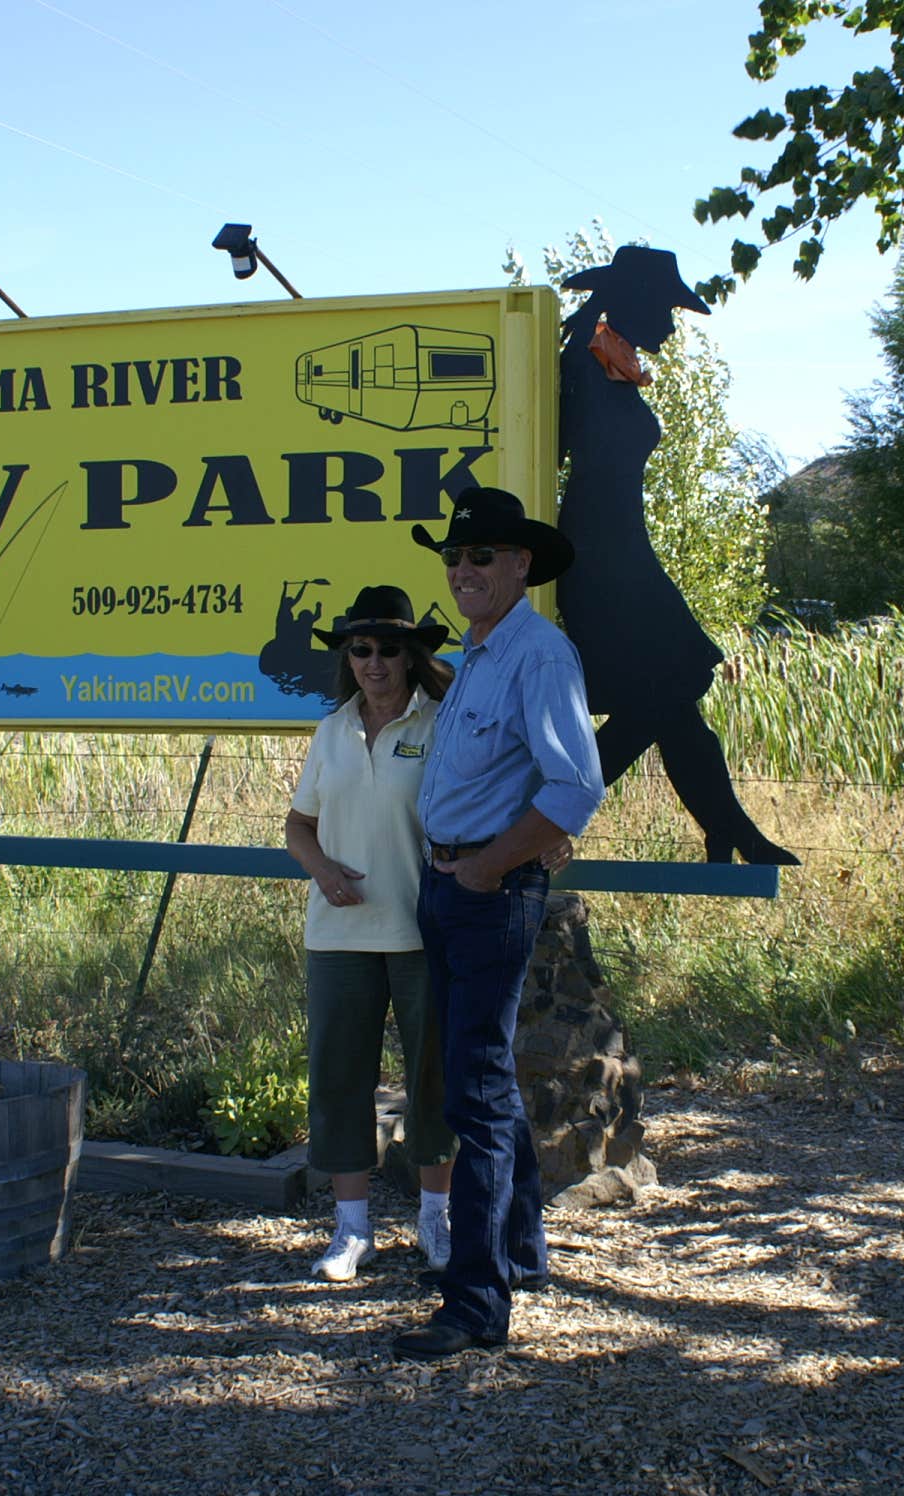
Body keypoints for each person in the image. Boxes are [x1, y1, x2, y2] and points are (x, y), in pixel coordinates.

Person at [392, 486, 605, 1361]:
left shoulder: (539, 655)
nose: (464, 569)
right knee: (481, 1077)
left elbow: (574, 790)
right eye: (454, 556)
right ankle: (518, 1251)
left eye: (483, 556)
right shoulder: (482, 653)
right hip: (448, 882)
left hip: (486, 888)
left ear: (521, 565)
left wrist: (492, 863)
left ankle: (475, 1302)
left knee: (474, 1091)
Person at [556, 245, 796, 864]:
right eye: (665, 308)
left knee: (675, 700)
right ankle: (547, 817)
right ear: (631, 301)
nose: (670, 323)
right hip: (598, 556)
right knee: (662, 695)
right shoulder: (583, 362)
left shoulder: (609, 359)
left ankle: (727, 828)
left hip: (622, 547)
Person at [284, 585, 458, 1281]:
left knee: (434, 1080)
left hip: (424, 931)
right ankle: (352, 1231)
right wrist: (321, 867)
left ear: (412, 655)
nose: (375, 661)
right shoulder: (331, 730)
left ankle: (435, 1220)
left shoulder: (443, 723)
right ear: (347, 656)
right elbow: (298, 825)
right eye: (361, 648)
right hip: (339, 936)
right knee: (339, 1079)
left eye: (389, 648)